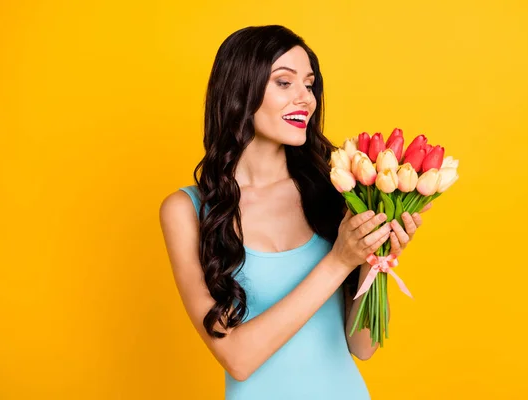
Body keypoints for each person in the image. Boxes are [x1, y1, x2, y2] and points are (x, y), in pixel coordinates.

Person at [159, 25, 430, 400]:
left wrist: (375, 258)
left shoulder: (338, 190)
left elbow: (362, 347)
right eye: (284, 83)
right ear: (241, 90)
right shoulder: (187, 211)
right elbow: (236, 357)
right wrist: (339, 260)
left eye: (309, 84)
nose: (306, 98)